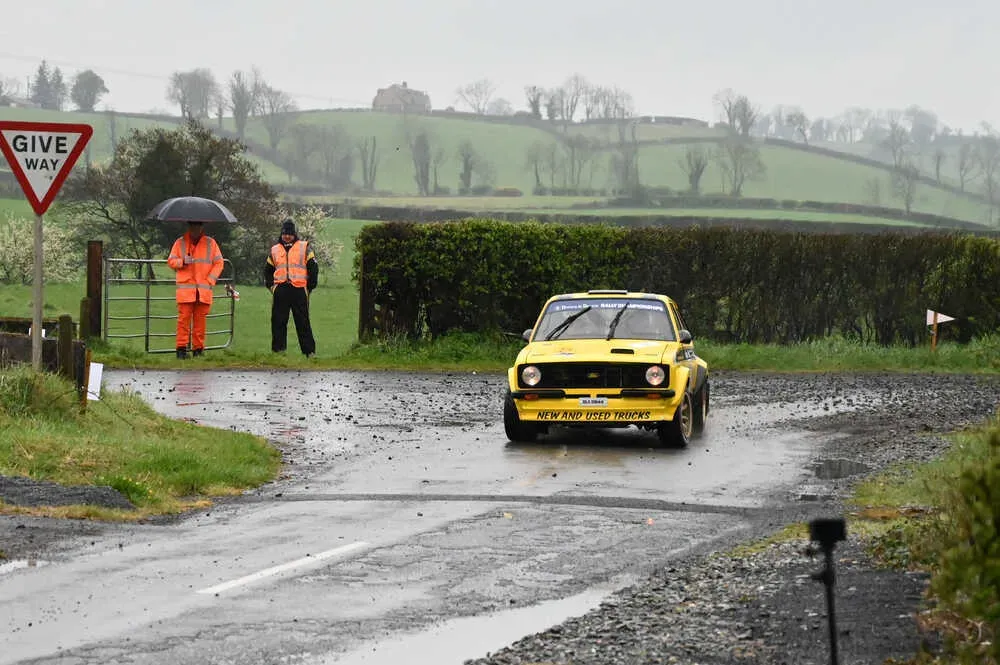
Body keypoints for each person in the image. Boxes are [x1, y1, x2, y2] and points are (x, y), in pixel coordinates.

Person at [166, 221, 225, 359]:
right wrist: (182, 262)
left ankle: (198, 350)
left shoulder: (211, 243)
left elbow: (219, 263)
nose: (195, 229)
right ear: (189, 227)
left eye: (197, 226)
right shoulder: (180, 243)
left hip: (203, 291)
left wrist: (210, 280)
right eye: (192, 226)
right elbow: (171, 261)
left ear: (201, 227)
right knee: (183, 321)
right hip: (186, 291)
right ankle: (181, 350)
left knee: (200, 323)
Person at [264, 218, 318, 357]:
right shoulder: (274, 250)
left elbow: (313, 267)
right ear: (281, 234)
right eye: (284, 233)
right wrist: (272, 287)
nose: (287, 236)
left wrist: (309, 287)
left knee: (303, 322)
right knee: (278, 321)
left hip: (299, 289)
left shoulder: (304, 247)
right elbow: (267, 271)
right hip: (281, 290)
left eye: (290, 233)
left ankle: (309, 352)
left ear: (294, 234)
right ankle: (278, 351)